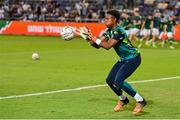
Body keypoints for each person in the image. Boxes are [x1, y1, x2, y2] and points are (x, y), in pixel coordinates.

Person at [77, 9, 147, 115]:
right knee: (109, 80)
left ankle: (141, 100)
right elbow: (97, 45)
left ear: (114, 20)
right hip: (124, 59)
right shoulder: (108, 32)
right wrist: (88, 39)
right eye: (105, 18)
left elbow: (108, 46)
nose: (105, 20)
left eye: (107, 18)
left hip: (133, 58)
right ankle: (123, 99)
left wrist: (93, 37)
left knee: (119, 81)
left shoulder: (119, 31)